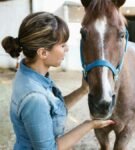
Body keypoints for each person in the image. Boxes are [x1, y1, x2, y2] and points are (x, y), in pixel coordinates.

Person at [1, 12, 115, 150]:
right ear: (43, 53)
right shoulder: (35, 97)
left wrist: (83, 90)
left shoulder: (31, 73)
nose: (67, 49)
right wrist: (89, 125)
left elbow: (52, 111)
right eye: (62, 45)